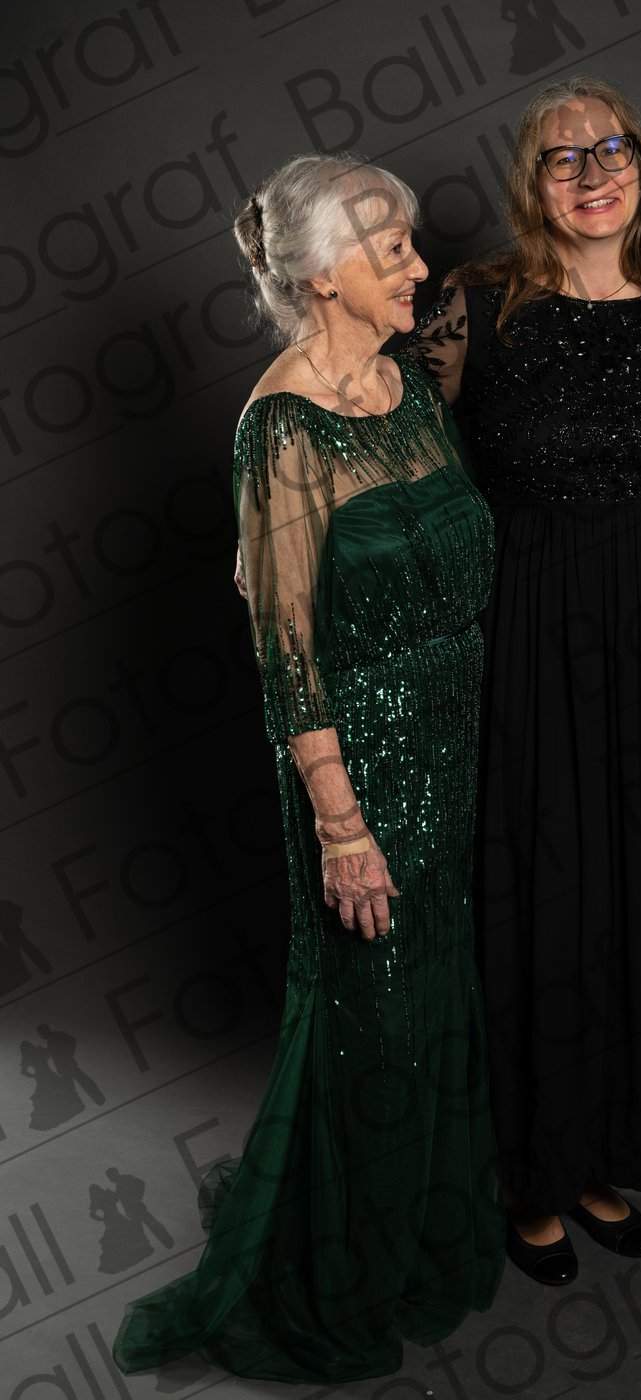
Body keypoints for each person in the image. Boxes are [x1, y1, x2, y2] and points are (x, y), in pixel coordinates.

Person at [110, 153, 505, 1384]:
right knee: (369, 1011)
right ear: (325, 274)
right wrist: (340, 821)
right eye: (393, 250)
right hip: (362, 764)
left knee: (434, 990)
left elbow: (447, 541)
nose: (419, 267)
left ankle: (417, 1226)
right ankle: (338, 1263)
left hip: (453, 738)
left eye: (412, 244)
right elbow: (285, 652)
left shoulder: (404, 384)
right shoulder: (279, 425)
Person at [404, 74, 641, 1286]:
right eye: (562, 157)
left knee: (639, 893)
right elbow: (392, 456)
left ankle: (597, 1151)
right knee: (544, 894)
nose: (591, 173)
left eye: (611, 149)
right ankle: (528, 1166)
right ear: (533, 185)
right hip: (523, 633)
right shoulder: (475, 306)